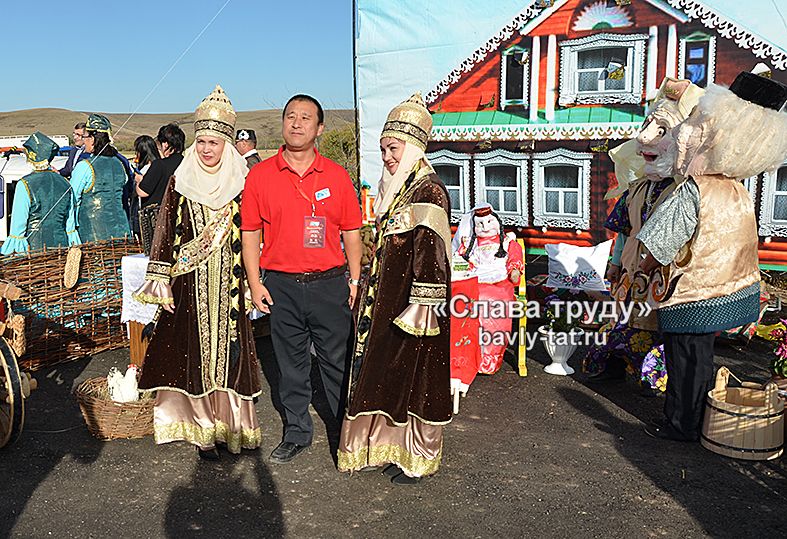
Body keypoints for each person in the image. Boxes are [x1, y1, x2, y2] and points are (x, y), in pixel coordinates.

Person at [638, 71, 787, 442]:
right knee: (701, 359)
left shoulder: (695, 189)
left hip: (693, 293)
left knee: (685, 360)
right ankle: (703, 418)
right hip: (728, 291)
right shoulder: (736, 189)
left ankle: (681, 426)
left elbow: (661, 244)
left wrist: (642, 271)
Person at [133, 85, 261, 459]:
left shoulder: (242, 182)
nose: (206, 149)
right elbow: (164, 231)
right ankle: (204, 431)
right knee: (194, 357)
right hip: (190, 281)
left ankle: (233, 429)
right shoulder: (180, 180)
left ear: (226, 143)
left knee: (232, 357)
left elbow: (254, 231)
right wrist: (160, 280)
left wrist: (255, 280)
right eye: (201, 141)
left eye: (214, 142)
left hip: (232, 283)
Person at [240, 94, 363, 464]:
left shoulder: (337, 176)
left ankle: (347, 430)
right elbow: (250, 234)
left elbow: (352, 232)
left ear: (319, 129)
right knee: (290, 364)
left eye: (305, 118)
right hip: (280, 285)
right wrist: (254, 282)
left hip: (329, 283)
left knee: (337, 361)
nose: (296, 123)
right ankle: (297, 431)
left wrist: (354, 280)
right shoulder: (260, 176)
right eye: (290, 116)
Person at [337, 93, 452, 484]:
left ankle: (418, 458)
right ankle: (392, 448)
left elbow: (433, 254)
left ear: (414, 147)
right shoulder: (400, 188)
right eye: (384, 149)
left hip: (415, 309)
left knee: (416, 379)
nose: (386, 157)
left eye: (393, 148)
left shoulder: (428, 190)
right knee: (390, 377)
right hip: (387, 302)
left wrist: (422, 307)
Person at [583, 78, 704, 394]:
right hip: (630, 270)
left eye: (661, 132)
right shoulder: (635, 189)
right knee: (624, 321)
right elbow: (623, 230)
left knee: (658, 329)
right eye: (647, 127)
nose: (645, 138)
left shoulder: (685, 192)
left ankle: (655, 379)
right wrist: (613, 263)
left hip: (665, 276)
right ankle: (614, 366)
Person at [452, 203, 523, 374]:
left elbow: (515, 256)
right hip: (474, 279)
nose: (485, 227)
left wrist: (514, 270)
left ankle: (488, 358)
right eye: (480, 224)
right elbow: (461, 261)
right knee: (460, 301)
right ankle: (464, 355)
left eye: (489, 222)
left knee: (489, 303)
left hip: (499, 282)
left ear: (497, 222)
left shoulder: (507, 242)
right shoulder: (470, 244)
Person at [2, 132, 77, 254]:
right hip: (62, 248)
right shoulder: (66, 184)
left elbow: (18, 227)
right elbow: (70, 224)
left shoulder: (25, 184)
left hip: (34, 248)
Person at [67, 114, 130, 243]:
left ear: (93, 139)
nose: (84, 142)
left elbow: (71, 201)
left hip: (92, 234)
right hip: (122, 232)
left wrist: (71, 232)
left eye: (85, 137)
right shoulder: (120, 164)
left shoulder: (84, 167)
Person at [137, 123, 186, 208]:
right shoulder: (187, 164)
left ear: (165, 144)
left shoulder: (159, 165)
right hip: (181, 215)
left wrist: (138, 180)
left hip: (158, 216)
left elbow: (142, 192)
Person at [129, 135, 161, 239]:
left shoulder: (148, 169)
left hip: (145, 214)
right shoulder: (158, 166)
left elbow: (142, 191)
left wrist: (138, 181)